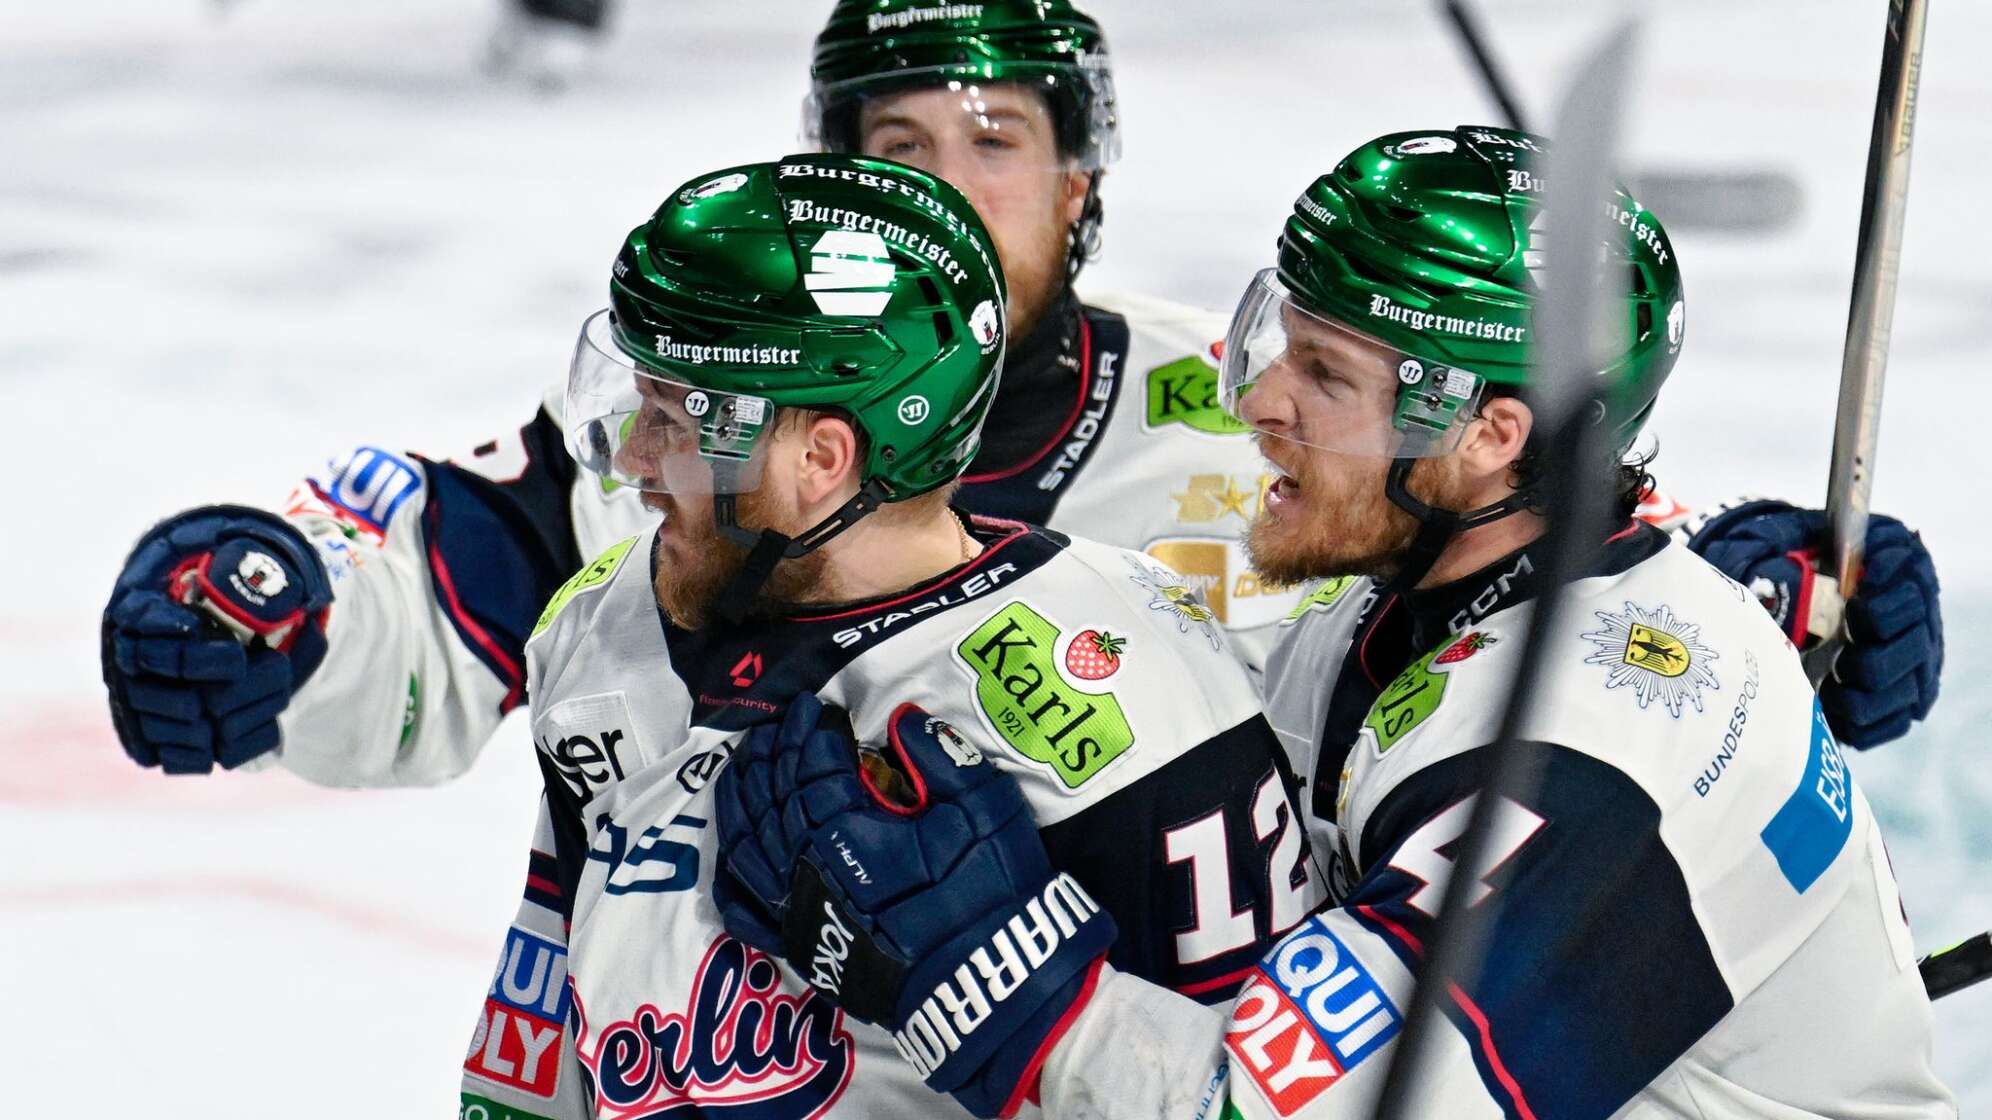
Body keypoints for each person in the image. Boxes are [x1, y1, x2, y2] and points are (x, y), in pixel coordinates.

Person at [97, 0, 1939, 794]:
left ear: (1081, 182)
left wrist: (1763, 611)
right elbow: (449, 578)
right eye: (895, 143)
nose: (950, 182)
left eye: (998, 140)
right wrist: (284, 606)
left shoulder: (1254, 423)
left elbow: (1499, 595)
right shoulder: (712, 429)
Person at [708, 128, 1956, 1119]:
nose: (1256, 400)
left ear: (1490, 435)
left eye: (1326, 376)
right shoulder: (1417, 600)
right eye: (1276, 340)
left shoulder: (1589, 768)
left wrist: (976, 974)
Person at [460, 153, 1320, 1119]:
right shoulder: (602, 623)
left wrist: (1012, 990)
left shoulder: (1130, 688)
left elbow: (1247, 1096)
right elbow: (546, 1018)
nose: (630, 457)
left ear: (822, 458)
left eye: (672, 414)